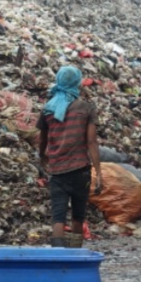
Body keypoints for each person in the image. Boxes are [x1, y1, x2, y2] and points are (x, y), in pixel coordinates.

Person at [37, 65, 102, 248]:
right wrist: (99, 172)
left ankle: (57, 259)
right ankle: (75, 259)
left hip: (57, 170)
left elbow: (42, 140)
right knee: (77, 217)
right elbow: (91, 143)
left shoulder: (48, 109)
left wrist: (42, 157)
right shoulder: (86, 109)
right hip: (81, 170)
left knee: (58, 217)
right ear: (77, 83)